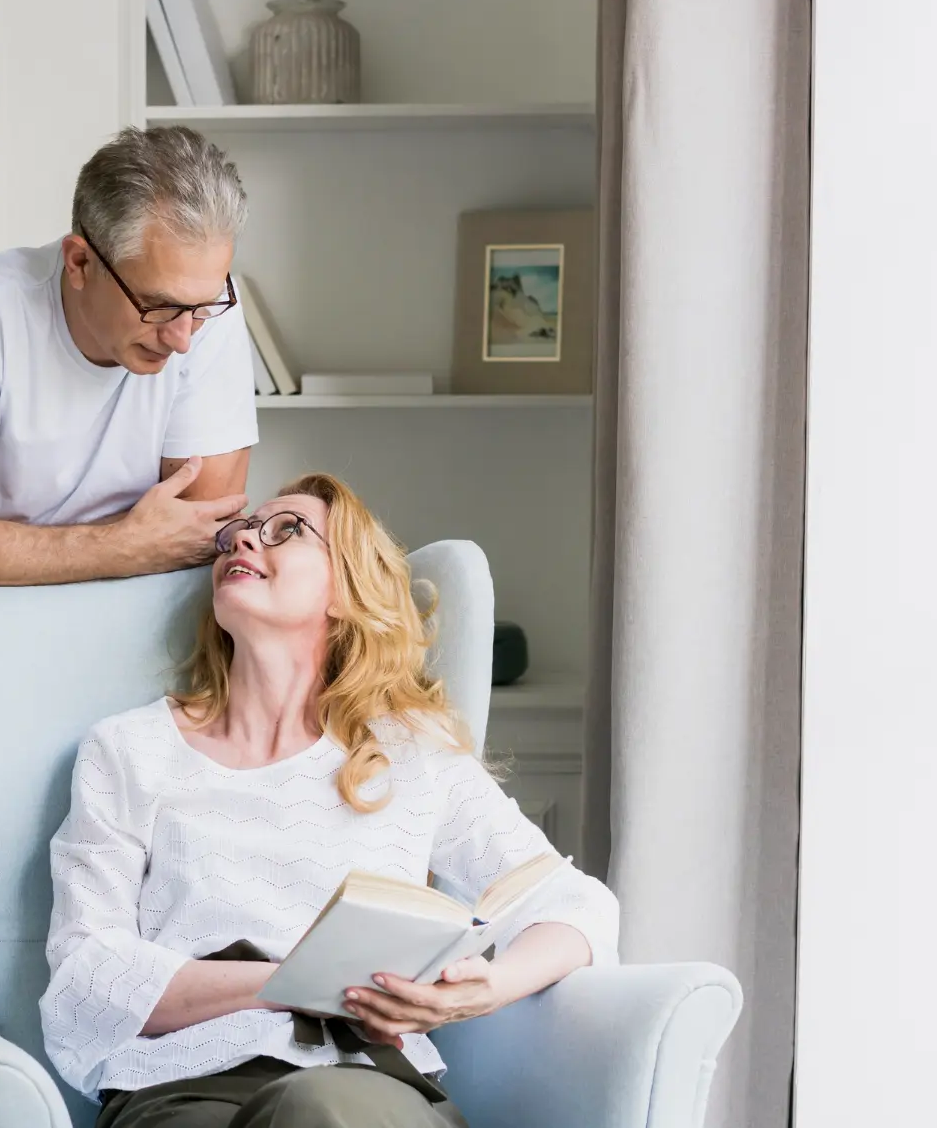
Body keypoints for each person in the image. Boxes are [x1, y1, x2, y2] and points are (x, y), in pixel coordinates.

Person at [0, 125, 260, 1128]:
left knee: (109, 937)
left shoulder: (203, 318)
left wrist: (52, 553)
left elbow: (197, 532)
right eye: (160, 307)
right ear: (80, 260)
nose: (186, 339)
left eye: (207, 305)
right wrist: (121, 544)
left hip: (109, 663)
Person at [42, 474, 619, 1128]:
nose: (247, 539)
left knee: (319, 1107)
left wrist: (486, 989)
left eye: (286, 529)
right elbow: (86, 969)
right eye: (237, 532)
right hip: (180, 1088)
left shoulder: (411, 754)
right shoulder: (128, 749)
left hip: (362, 1088)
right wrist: (295, 983)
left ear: (345, 589)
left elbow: (574, 905)